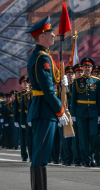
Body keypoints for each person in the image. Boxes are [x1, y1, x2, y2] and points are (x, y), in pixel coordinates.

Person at [25, 15, 69, 189]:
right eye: (50, 32)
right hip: (45, 109)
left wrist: (62, 81)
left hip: (44, 109)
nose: (54, 35)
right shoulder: (42, 58)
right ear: (41, 36)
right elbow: (48, 90)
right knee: (41, 153)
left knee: (42, 153)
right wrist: (60, 111)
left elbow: (51, 84)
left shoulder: (43, 55)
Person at [71, 58, 100, 168]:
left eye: (89, 67)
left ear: (92, 68)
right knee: (83, 137)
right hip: (81, 112)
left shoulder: (96, 81)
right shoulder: (77, 81)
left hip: (93, 112)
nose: (87, 69)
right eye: (85, 67)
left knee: (94, 134)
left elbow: (99, 98)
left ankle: (93, 155)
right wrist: (73, 114)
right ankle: (87, 159)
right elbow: (73, 99)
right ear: (83, 68)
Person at [14, 76, 30, 161]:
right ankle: (24, 155)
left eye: (26, 82)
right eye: (23, 82)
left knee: (30, 137)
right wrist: (15, 120)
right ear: (21, 84)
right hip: (21, 118)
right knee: (23, 138)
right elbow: (15, 108)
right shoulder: (18, 95)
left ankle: (31, 154)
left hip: (29, 117)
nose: (25, 83)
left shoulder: (31, 93)